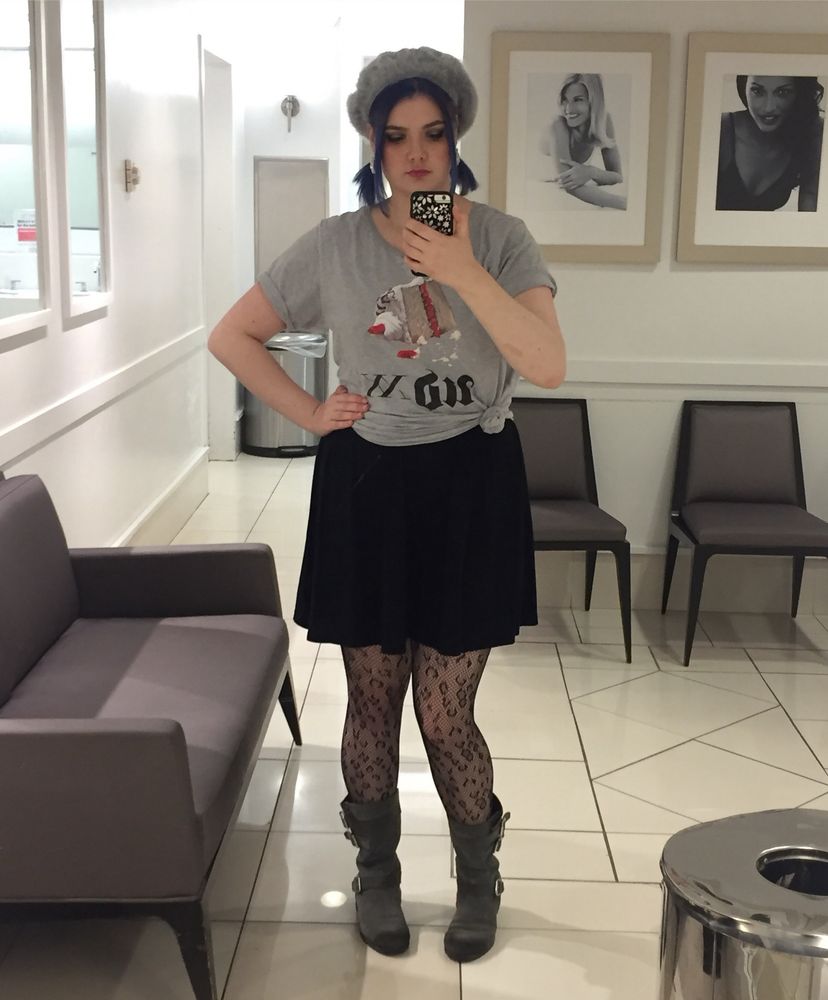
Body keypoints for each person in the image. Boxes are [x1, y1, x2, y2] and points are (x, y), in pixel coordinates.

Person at [208, 46, 565, 963]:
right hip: (368, 485)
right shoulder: (332, 244)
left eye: (433, 135)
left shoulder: (503, 238)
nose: (416, 155)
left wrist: (460, 264)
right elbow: (233, 334)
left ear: (456, 142)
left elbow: (547, 361)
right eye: (396, 136)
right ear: (374, 142)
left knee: (447, 713)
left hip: (470, 487)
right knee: (375, 696)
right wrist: (309, 411)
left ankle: (478, 875)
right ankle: (376, 870)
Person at [716, 75, 825, 212]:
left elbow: (810, 198)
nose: (768, 108)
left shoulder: (810, 132)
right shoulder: (721, 128)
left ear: (800, 92)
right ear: (744, 88)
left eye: (782, 92)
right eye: (757, 91)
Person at [543, 72, 626, 210]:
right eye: (565, 100)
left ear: (594, 101)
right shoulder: (558, 125)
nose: (568, 109)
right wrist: (624, 204)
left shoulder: (603, 121)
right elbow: (569, 184)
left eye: (578, 100)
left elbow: (617, 177)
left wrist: (592, 172)